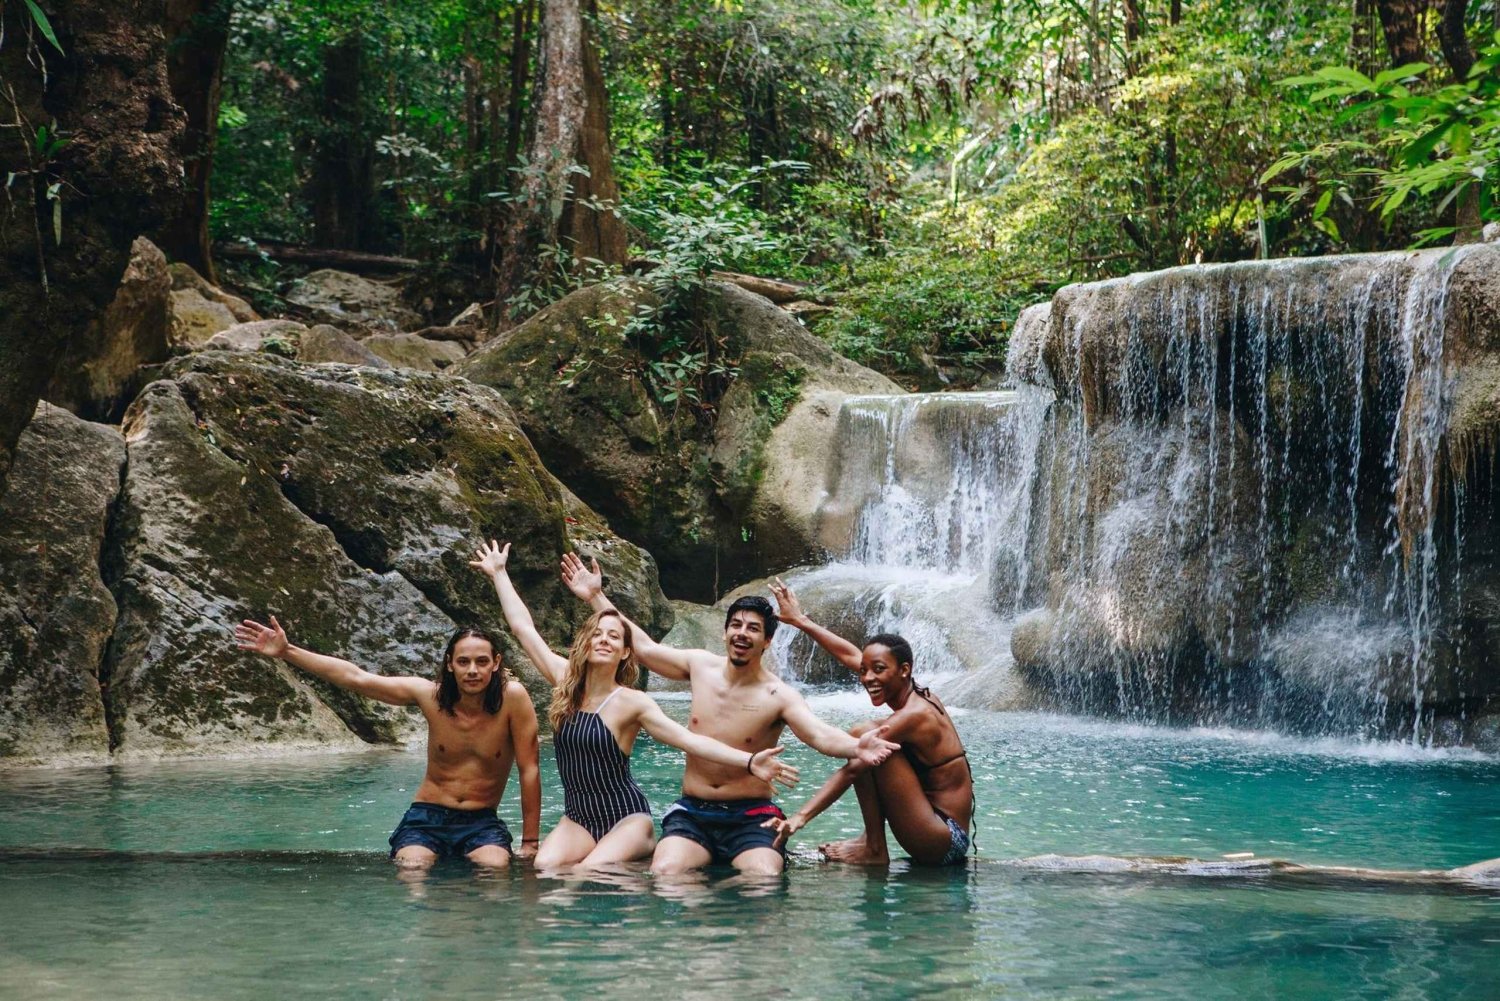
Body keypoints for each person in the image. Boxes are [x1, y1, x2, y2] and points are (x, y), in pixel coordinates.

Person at [560, 553, 900, 876]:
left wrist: (857, 747)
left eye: (753, 629)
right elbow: (645, 648)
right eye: (735, 625)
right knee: (666, 873)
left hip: (751, 816)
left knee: (763, 877)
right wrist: (595, 596)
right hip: (693, 811)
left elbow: (819, 734)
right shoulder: (699, 667)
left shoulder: (779, 695)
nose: (741, 633)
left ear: (767, 641)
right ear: (724, 633)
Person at [470, 541, 801, 870]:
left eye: (614, 637)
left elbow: (689, 740)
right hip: (578, 819)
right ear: (584, 645)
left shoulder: (632, 703)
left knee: (588, 873)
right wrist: (499, 573)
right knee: (545, 869)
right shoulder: (565, 681)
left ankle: (637, 860)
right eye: (597, 634)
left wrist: (750, 761)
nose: (604, 640)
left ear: (626, 652)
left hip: (625, 819)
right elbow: (523, 629)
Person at [233, 616, 541, 869]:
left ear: (495, 663)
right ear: (450, 664)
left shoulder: (513, 699)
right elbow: (357, 678)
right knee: (412, 869)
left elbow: (530, 769)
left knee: (496, 868)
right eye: (463, 661)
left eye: (481, 661)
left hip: (481, 820)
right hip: (427, 816)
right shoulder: (429, 696)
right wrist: (288, 652)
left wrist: (530, 842)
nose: (472, 670)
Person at [760, 578, 973, 867]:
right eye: (864, 671)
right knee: (869, 737)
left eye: (878, 670)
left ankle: (873, 847)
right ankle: (871, 843)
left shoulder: (914, 715)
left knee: (865, 738)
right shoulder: (911, 689)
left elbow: (852, 769)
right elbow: (851, 654)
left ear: (904, 670)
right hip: (932, 825)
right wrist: (800, 621)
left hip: (944, 840)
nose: (867, 678)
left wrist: (800, 818)